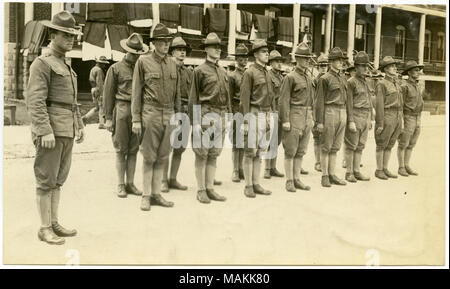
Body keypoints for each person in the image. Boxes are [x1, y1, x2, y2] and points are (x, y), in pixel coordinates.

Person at [26, 11, 84, 245]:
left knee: (58, 180)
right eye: (66, 35)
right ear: (53, 34)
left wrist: (78, 124)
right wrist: (44, 130)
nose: (71, 40)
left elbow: (72, 102)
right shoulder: (43, 63)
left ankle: (54, 222)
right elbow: (35, 100)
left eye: (73, 36)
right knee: (45, 179)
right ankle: (44, 227)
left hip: (66, 129)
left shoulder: (65, 65)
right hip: (51, 131)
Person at [131, 23, 180, 211]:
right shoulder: (143, 62)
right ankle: (146, 195)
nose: (165, 45)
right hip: (150, 113)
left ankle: (157, 194)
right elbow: (136, 92)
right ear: (154, 43)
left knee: (162, 156)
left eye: (167, 42)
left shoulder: (172, 63)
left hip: (169, 114)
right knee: (149, 156)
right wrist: (136, 119)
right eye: (161, 42)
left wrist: (177, 115)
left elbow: (177, 92)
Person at [103, 33, 148, 198]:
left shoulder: (142, 69)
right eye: (133, 53)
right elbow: (107, 95)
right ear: (126, 51)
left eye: (138, 54)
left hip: (138, 113)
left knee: (134, 150)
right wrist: (108, 118)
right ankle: (120, 184)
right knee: (121, 150)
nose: (136, 57)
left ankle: (130, 183)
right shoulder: (115, 69)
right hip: (122, 110)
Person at [189, 32, 231, 204]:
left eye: (219, 47)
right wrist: (196, 122)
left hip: (220, 115)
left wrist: (227, 116)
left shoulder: (223, 71)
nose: (218, 50)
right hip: (206, 114)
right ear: (206, 49)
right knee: (202, 153)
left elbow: (227, 96)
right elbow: (193, 98)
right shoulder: (199, 71)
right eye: (214, 47)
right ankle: (201, 190)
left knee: (214, 154)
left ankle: (210, 188)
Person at [240, 39, 274, 198]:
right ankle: (248, 185)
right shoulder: (249, 72)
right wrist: (245, 122)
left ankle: (256, 183)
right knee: (249, 152)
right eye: (263, 51)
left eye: (267, 51)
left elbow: (271, 96)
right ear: (255, 54)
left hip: (266, 114)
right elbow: (244, 99)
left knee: (260, 152)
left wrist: (270, 116)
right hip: (253, 113)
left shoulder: (267, 72)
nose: (267, 54)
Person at [279, 43, 315, 192]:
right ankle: (289, 180)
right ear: (297, 59)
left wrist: (311, 118)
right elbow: (283, 100)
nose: (307, 61)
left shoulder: (308, 77)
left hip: (306, 115)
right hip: (294, 114)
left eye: (308, 58)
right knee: (291, 150)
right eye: (304, 58)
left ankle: (297, 178)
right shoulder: (290, 77)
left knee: (301, 150)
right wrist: (286, 120)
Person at [161, 36, 192, 192]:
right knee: (166, 148)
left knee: (180, 148)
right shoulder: (166, 70)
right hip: (171, 111)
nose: (182, 53)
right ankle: (163, 180)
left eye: (184, 50)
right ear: (171, 52)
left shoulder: (188, 72)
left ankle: (173, 178)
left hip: (185, 112)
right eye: (179, 50)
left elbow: (193, 94)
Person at [315, 47, 348, 187]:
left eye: (341, 60)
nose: (340, 62)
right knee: (326, 146)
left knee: (335, 147)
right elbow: (319, 101)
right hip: (329, 112)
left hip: (342, 111)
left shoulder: (343, 77)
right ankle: (324, 175)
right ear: (330, 62)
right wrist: (319, 122)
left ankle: (332, 174)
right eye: (337, 60)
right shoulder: (324, 79)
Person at [343, 51, 373, 182]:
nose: (366, 68)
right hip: (355, 114)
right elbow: (348, 103)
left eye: (367, 66)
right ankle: (349, 172)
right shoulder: (351, 82)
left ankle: (356, 171)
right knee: (351, 145)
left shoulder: (366, 82)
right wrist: (350, 121)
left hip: (365, 115)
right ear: (356, 67)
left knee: (360, 145)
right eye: (363, 66)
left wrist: (370, 118)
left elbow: (369, 100)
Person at [374, 56, 403, 180]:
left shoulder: (396, 83)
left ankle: (385, 168)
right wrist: (380, 123)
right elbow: (379, 105)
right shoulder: (381, 84)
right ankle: (379, 169)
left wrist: (400, 120)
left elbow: (401, 102)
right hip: (387, 115)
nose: (394, 68)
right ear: (385, 69)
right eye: (391, 66)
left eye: (395, 66)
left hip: (397, 116)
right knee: (382, 143)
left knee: (390, 144)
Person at [397, 60, 424, 177]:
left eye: (418, 70)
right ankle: (401, 167)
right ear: (409, 72)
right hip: (408, 117)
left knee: (411, 144)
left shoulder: (417, 85)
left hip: (417, 117)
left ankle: (407, 165)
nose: (418, 72)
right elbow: (400, 105)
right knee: (403, 143)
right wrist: (401, 121)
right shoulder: (404, 86)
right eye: (416, 70)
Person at [228, 43, 248, 182]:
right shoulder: (232, 76)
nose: (243, 60)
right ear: (236, 60)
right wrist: (230, 113)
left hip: (246, 110)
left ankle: (241, 169)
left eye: (245, 58)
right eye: (241, 58)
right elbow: (229, 96)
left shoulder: (248, 74)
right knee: (236, 141)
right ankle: (235, 170)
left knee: (244, 140)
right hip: (235, 108)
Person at [264, 50, 285, 179]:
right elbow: (268, 95)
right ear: (271, 63)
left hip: (280, 111)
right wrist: (270, 111)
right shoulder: (268, 76)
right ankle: (267, 168)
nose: (279, 64)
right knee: (270, 140)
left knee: (277, 141)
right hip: (272, 110)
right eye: (277, 61)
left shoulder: (282, 77)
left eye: (280, 61)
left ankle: (273, 167)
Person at [82, 56, 109, 129]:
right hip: (98, 89)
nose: (104, 65)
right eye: (103, 63)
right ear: (99, 63)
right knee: (102, 107)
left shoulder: (93, 69)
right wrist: (102, 94)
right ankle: (101, 124)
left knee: (97, 107)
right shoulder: (99, 70)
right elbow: (99, 83)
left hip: (93, 88)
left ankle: (85, 118)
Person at [312, 53, 328, 172]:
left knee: (327, 139)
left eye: (325, 65)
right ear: (317, 67)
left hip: (328, 112)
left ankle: (325, 162)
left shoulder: (329, 79)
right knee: (317, 138)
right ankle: (318, 162)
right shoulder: (314, 81)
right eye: (321, 65)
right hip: (316, 111)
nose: (323, 67)